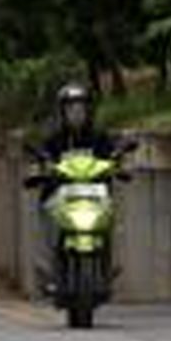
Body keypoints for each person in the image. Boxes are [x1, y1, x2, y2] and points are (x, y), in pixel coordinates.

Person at [28, 82, 121, 298]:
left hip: (94, 196)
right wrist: (38, 171)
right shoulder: (54, 140)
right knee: (48, 219)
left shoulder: (99, 138)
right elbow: (40, 159)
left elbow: (113, 157)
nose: (76, 113)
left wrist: (118, 163)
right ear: (62, 112)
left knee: (107, 221)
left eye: (81, 108)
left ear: (89, 110)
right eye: (71, 108)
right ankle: (52, 271)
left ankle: (105, 269)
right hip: (60, 197)